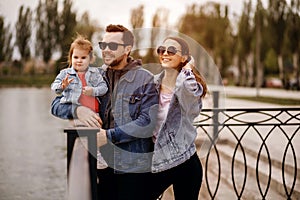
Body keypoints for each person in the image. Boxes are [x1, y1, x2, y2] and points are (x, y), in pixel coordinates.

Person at [51, 24, 158, 200]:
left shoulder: (145, 79)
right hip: (101, 167)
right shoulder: (94, 76)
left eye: (113, 46)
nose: (106, 50)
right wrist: (78, 110)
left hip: (133, 168)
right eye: (103, 45)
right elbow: (55, 105)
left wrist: (108, 135)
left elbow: (147, 122)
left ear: (128, 49)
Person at [149, 36, 208, 200]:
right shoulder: (152, 84)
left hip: (185, 161)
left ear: (184, 57)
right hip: (159, 159)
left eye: (172, 50)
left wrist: (187, 69)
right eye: (162, 50)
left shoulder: (189, 84)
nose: (165, 53)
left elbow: (186, 90)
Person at [51, 34, 108, 169]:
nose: (79, 61)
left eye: (83, 58)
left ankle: (96, 156)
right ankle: (88, 159)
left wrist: (93, 91)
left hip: (94, 112)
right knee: (82, 134)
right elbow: (55, 88)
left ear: (91, 59)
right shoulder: (65, 74)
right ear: (70, 58)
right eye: (75, 57)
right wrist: (62, 87)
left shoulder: (95, 74)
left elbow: (103, 88)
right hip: (77, 114)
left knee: (97, 131)